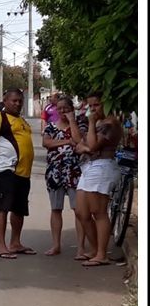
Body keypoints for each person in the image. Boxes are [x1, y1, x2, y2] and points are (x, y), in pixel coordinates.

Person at [0, 88, 35, 259]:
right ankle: (1, 246)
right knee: (2, 207)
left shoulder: (22, 121)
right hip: (7, 171)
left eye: (20, 101)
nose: (17, 103)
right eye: (14, 101)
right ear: (5, 101)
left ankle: (15, 243)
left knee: (19, 209)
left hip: (23, 173)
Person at [73, 92, 122, 267]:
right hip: (89, 168)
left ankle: (102, 254)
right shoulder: (100, 123)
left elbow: (92, 146)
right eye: (90, 106)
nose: (92, 110)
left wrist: (91, 125)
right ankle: (95, 249)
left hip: (102, 167)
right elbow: (83, 143)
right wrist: (85, 147)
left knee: (98, 212)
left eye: (97, 105)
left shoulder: (110, 123)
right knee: (81, 212)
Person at [42, 95, 89, 258]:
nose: (62, 111)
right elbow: (46, 143)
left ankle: (81, 248)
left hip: (74, 172)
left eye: (66, 108)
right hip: (55, 172)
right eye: (59, 108)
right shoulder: (51, 126)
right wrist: (67, 142)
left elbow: (78, 140)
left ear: (72, 109)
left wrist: (72, 122)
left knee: (79, 210)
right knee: (56, 209)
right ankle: (56, 245)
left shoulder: (81, 125)